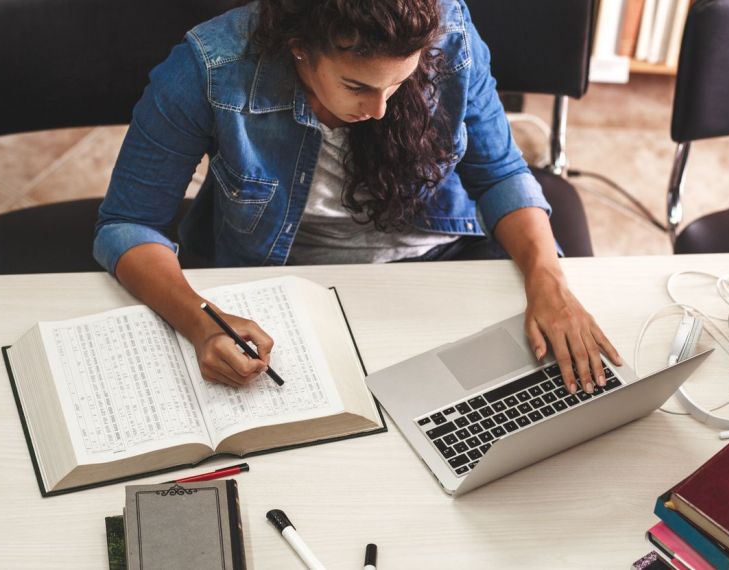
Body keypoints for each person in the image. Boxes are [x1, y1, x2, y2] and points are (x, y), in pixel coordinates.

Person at [94, 0, 621, 394]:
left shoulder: (449, 33)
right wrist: (200, 321)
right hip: (286, 291)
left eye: (399, 84)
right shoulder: (210, 69)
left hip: (441, 268)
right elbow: (128, 225)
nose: (381, 110)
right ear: (299, 48)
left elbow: (499, 173)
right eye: (357, 86)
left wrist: (549, 281)